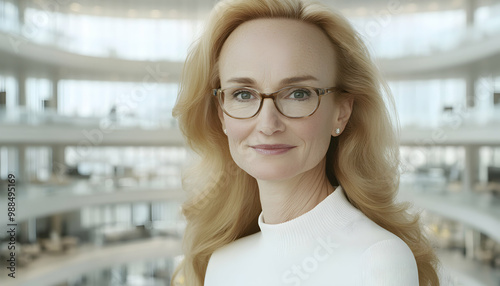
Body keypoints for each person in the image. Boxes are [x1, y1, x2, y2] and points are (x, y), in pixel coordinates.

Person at [171, 0, 440, 285]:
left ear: (342, 111)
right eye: (243, 94)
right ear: (221, 115)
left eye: (298, 94)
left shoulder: (377, 260)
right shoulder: (221, 263)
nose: (268, 124)